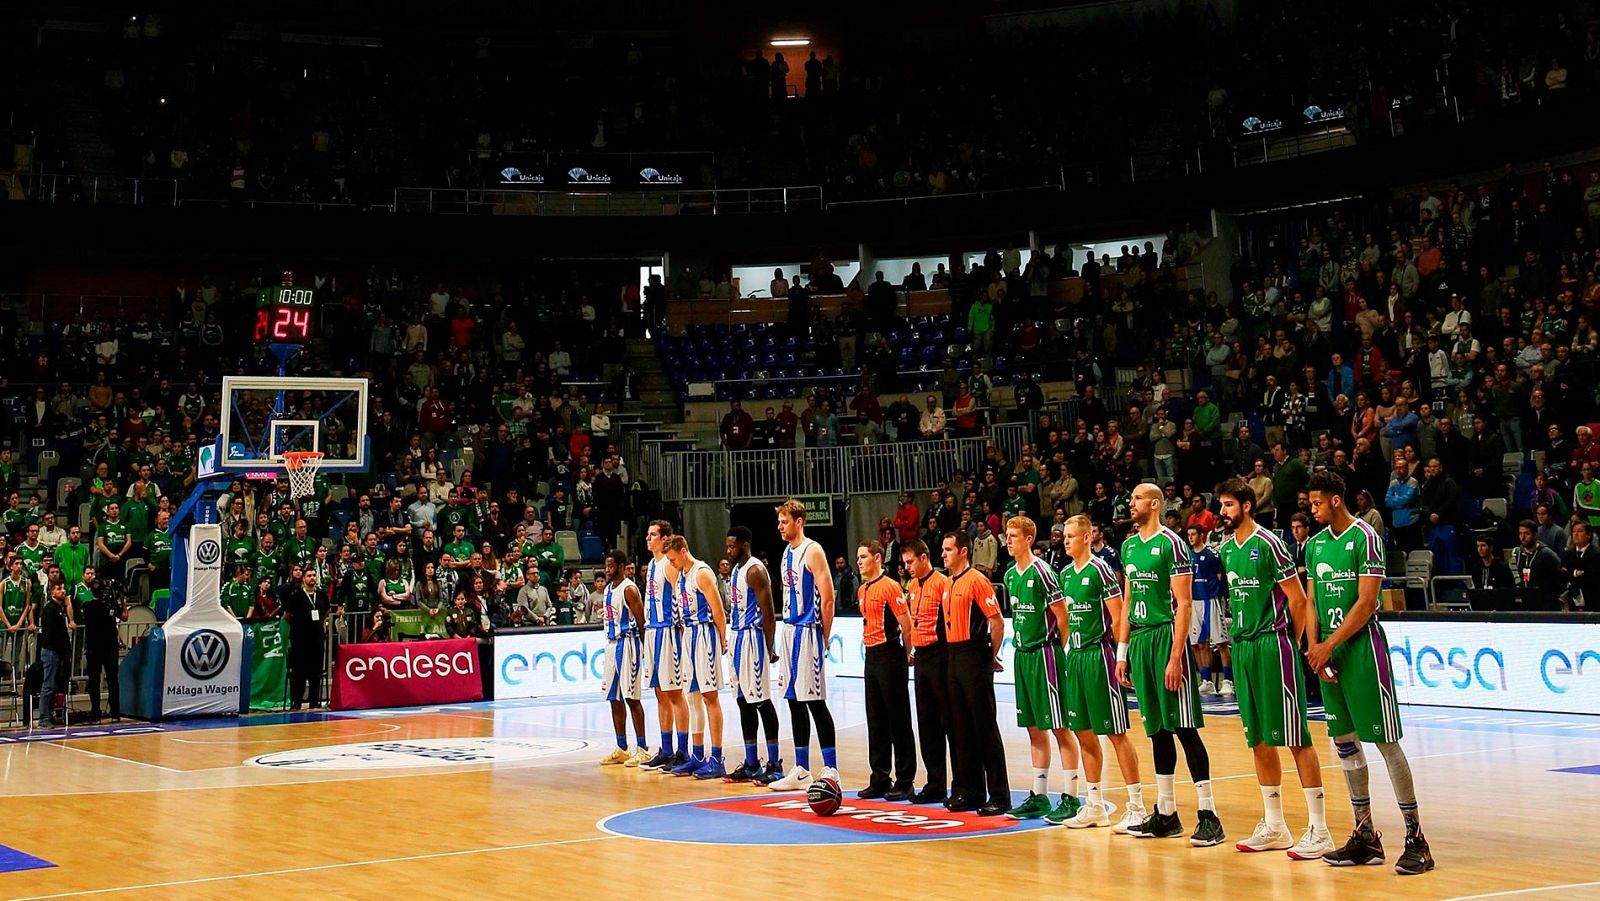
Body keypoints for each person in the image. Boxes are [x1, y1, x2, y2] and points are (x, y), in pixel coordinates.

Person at [1305, 471, 1435, 875]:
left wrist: (1330, 645)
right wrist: (1315, 648)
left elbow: (1366, 602)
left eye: (1316, 503)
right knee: (1344, 743)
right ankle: (1365, 836)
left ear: (1336, 501)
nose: (1312, 510)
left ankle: (1416, 839)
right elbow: (1311, 600)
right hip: (1328, 652)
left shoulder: (1365, 536)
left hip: (1361, 649)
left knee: (1385, 742)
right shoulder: (1313, 545)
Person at [1215, 478, 1331, 859]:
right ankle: (1275, 824)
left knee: (1296, 736)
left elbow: (1298, 601)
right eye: (1222, 505)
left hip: (1272, 644)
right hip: (1243, 647)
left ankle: (1320, 828)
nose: (1223, 512)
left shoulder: (1269, 543)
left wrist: (1290, 643)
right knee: (1258, 739)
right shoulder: (1227, 549)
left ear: (1247, 506)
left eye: (1229, 505)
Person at [1118, 485, 1223, 845]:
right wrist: (1123, 652)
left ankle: (1209, 815)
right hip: (1142, 641)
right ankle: (1166, 813)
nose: (1131, 503)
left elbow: (1184, 604)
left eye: (1137, 499)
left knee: (1185, 728)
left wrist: (1177, 656)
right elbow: (1129, 601)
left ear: (1155, 504)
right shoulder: (1129, 546)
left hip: (1166, 638)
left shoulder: (1172, 543)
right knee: (1157, 730)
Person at [1051, 515, 1143, 831]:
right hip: (1075, 658)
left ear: (1088, 537)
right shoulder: (1064, 575)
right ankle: (1094, 805)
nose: (1066, 541)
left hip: (1099, 656)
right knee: (1083, 732)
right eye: (1064, 536)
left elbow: (1119, 617)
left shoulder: (1101, 570)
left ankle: (1137, 806)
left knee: (1116, 732)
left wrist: (1122, 657)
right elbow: (1064, 621)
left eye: (1072, 536)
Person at [999, 516, 1084, 826]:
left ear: (1029, 539)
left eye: (1013, 536)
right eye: (1006, 536)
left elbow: (1063, 620)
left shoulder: (1044, 573)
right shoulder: (1009, 576)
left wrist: (1061, 655)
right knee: (1034, 728)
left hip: (1046, 655)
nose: (1007, 541)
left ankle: (1072, 796)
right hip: (1023, 656)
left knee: (1060, 727)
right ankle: (1039, 794)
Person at [768, 499, 840, 791]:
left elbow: (828, 597)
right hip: (789, 631)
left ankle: (831, 769)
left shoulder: (813, 550)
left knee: (814, 702)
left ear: (799, 522)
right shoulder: (786, 553)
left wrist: (823, 636)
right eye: (779, 522)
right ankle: (800, 769)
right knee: (794, 700)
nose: (779, 527)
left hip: (808, 631)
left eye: (784, 522)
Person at [941, 529, 1010, 816]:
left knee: (984, 727)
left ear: (963, 551)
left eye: (947, 549)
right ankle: (968, 791)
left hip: (973, 653)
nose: (943, 554)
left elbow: (997, 623)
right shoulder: (948, 583)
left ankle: (999, 795)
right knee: (960, 728)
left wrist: (989, 656)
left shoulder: (978, 582)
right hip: (953, 654)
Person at [663, 535, 729, 779]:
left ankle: (717, 757)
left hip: (704, 634)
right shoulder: (680, 575)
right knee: (692, 697)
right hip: (687, 635)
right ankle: (698, 755)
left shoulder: (702, 572)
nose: (671, 564)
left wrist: (722, 637)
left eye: (672, 559)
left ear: (683, 551)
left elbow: (718, 608)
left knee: (710, 696)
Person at [855, 540, 916, 800]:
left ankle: (905, 780)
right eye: (858, 557)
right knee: (876, 719)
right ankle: (879, 776)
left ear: (877, 558)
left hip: (890, 653)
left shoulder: (891, 587)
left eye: (863, 557)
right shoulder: (861, 589)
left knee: (898, 720)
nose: (858, 561)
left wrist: (904, 657)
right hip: (871, 655)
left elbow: (907, 625)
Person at [723, 527, 784, 784]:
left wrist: (768, 647)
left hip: (752, 639)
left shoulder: (755, 571)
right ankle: (751, 763)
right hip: (736, 636)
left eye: (732, 547)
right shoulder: (736, 570)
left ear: (745, 544)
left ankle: (774, 763)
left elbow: (769, 614)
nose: (728, 551)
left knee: (761, 701)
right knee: (742, 701)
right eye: (727, 546)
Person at [902, 539, 953, 804]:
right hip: (921, 658)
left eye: (910, 562)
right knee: (927, 724)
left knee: (949, 723)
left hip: (940, 655)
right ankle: (935, 784)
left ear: (924, 558)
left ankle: (960, 784)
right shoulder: (911, 586)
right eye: (905, 563)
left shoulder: (943, 583)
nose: (907, 567)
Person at [639, 520, 690, 771]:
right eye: (647, 535)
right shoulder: (651, 564)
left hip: (668, 631)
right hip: (652, 631)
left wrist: (680, 629)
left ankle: (682, 751)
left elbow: (680, 596)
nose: (648, 539)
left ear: (665, 538)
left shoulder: (669, 566)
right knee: (660, 693)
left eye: (653, 535)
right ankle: (666, 748)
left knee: (674, 692)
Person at [597, 549, 651, 767]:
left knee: (632, 698)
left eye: (610, 566)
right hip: (611, 645)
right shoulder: (609, 587)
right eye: (606, 565)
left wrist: (645, 650)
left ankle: (643, 749)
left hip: (628, 644)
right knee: (613, 698)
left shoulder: (629, 589)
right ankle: (622, 747)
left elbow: (641, 620)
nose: (607, 570)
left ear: (620, 566)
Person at [1186, 525, 1234, 696]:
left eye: (1193, 534)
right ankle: (1206, 681)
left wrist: (1221, 597)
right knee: (1199, 644)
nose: (1190, 537)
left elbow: (1221, 577)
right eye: (1189, 534)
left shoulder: (1212, 555)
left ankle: (1228, 681)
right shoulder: (1187, 555)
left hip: (1211, 600)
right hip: (1194, 602)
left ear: (1201, 535)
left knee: (1221, 643)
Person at [78, 566, 124, 722]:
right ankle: (115, 714)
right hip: (108, 647)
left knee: (95, 681)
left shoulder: (87, 606)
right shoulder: (109, 605)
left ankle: (96, 713)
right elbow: (124, 616)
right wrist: (120, 598)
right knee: (112, 681)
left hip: (94, 648)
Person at [284, 567, 329, 709]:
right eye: (309, 575)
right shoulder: (296, 594)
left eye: (314, 575)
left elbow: (326, 611)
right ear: (303, 578)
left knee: (315, 671)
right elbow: (287, 616)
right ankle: (296, 701)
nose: (312, 578)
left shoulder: (321, 594)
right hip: (300, 639)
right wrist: (299, 625)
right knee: (299, 671)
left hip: (317, 638)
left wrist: (320, 624)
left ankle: (314, 701)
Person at [35, 582, 72, 728]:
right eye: (59, 589)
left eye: (64, 588)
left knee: (54, 685)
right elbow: (52, 634)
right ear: (52, 593)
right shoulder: (50, 610)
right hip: (51, 651)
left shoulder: (59, 609)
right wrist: (63, 650)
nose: (63, 591)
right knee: (48, 685)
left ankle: (49, 714)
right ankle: (43, 718)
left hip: (57, 651)